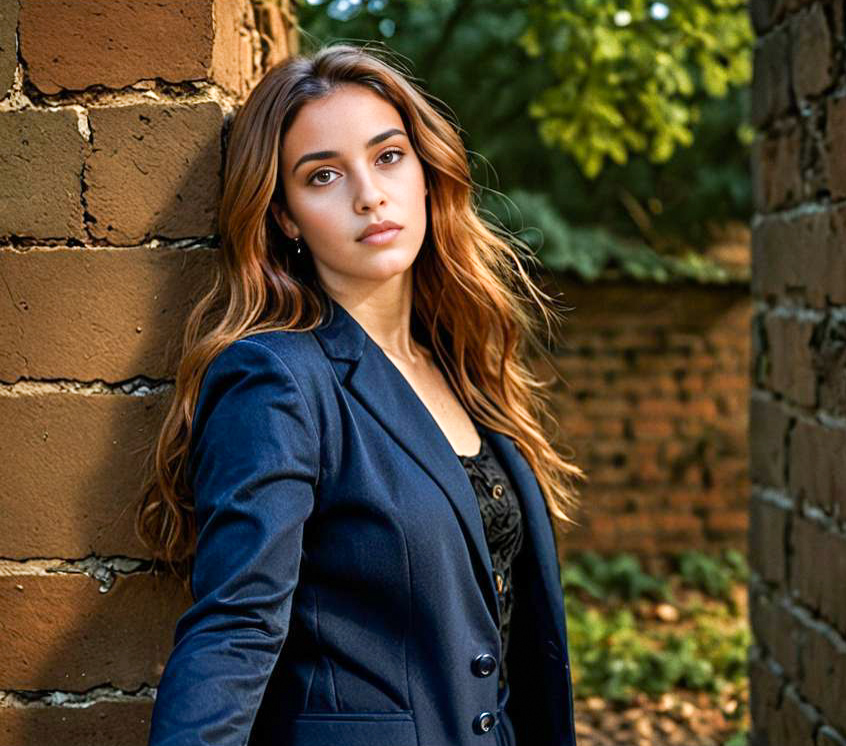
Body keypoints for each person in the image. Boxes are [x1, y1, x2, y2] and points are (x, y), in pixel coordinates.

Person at [136, 41, 585, 746]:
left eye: (387, 157)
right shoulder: (277, 379)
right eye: (322, 176)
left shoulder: (458, 363)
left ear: (426, 174)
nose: (368, 194)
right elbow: (237, 626)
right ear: (284, 216)